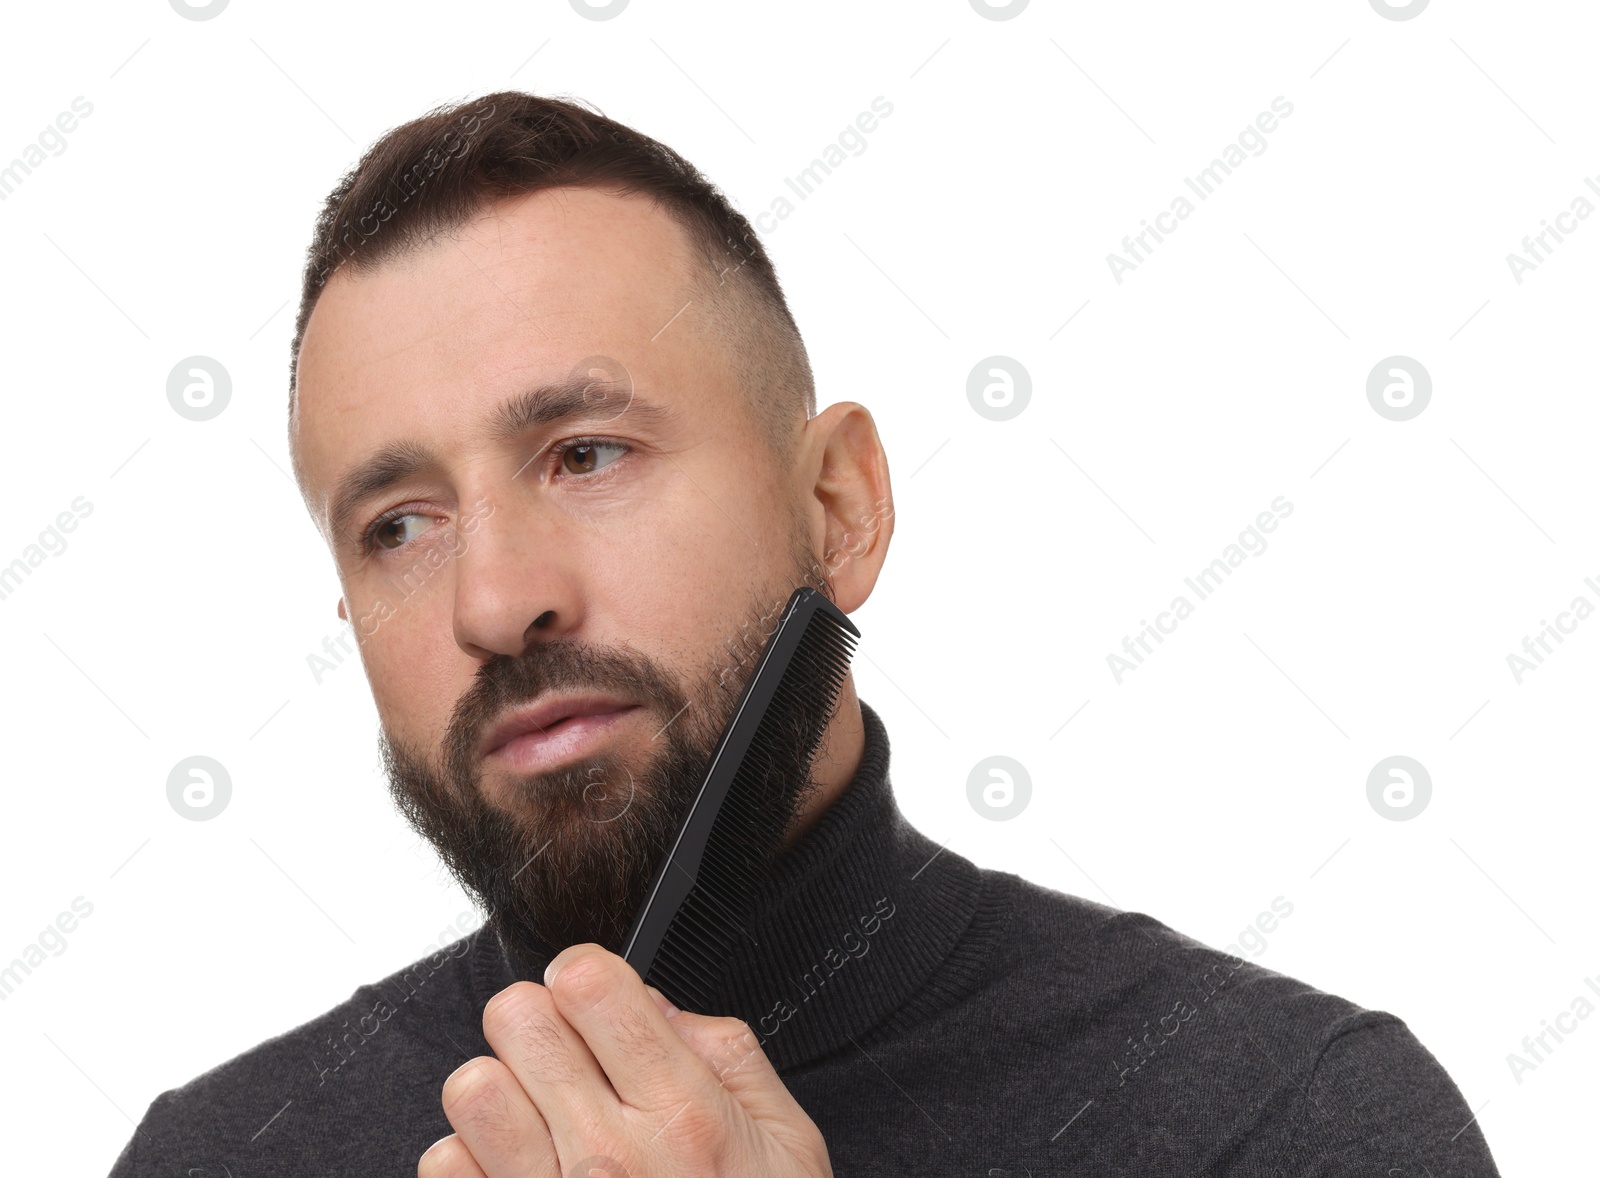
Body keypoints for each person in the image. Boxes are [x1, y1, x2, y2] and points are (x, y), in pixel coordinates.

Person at [108, 91, 1500, 1177]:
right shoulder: (215, 1157)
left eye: (587, 453)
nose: (495, 599)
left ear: (838, 506)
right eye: (399, 524)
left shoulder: (1292, 1120)